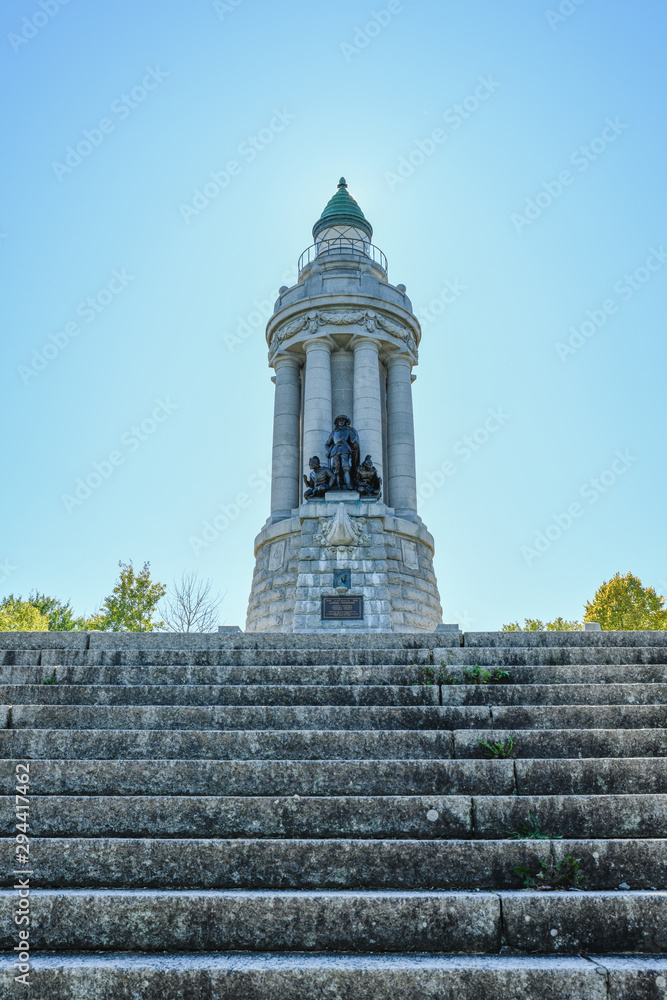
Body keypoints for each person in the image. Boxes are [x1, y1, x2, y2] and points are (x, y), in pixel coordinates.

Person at [325, 415, 360, 491]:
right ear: (337, 422)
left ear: (346, 422)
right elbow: (327, 444)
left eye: (343, 420)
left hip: (345, 449)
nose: (341, 421)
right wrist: (328, 450)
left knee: (346, 467)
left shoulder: (349, 430)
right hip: (335, 451)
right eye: (339, 420)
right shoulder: (334, 433)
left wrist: (354, 443)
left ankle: (348, 484)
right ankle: (338, 485)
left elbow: (353, 439)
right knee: (336, 468)